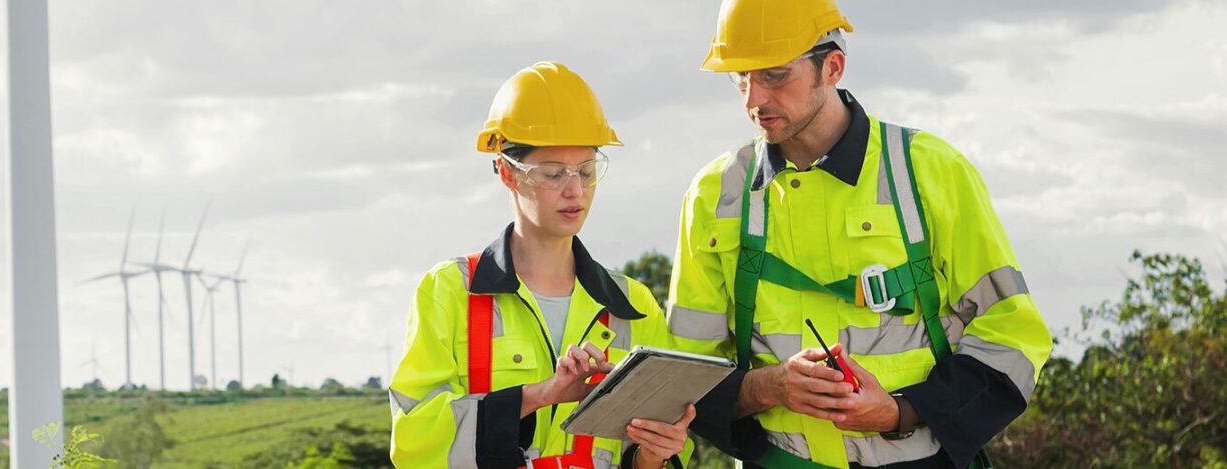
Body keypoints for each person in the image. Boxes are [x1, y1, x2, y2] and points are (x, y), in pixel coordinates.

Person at [665, 1, 1053, 467]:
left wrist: (899, 412)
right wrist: (770, 386)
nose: (753, 101)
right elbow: (683, 374)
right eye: (741, 78)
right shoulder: (714, 195)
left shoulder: (931, 171)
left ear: (832, 67)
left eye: (774, 75)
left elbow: (1013, 335)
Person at [389, 61, 693, 469]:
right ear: (506, 173)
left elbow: (666, 453)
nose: (575, 190)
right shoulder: (449, 292)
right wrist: (542, 394)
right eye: (553, 174)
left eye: (586, 171)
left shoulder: (632, 306)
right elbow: (413, 443)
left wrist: (654, 455)